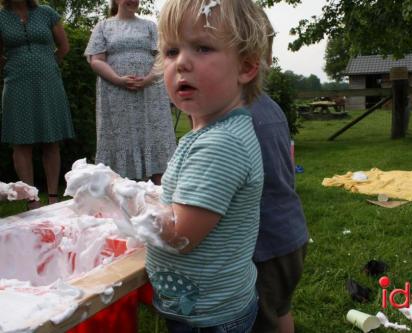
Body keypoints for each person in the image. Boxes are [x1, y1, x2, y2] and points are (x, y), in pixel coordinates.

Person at [145, 0, 269, 331]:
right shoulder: (214, 132)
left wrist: (122, 199)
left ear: (246, 66)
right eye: (171, 51)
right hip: (207, 305)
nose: (181, 63)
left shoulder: (220, 145)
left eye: (202, 47)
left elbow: (179, 235)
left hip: (208, 317)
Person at [249, 11, 309, 333]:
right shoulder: (270, 106)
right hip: (292, 235)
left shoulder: (233, 118)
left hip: (265, 247)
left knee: (263, 318)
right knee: (279, 308)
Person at [85, 0, 176, 185]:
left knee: (154, 136)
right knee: (120, 139)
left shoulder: (150, 26)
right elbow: (96, 60)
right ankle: (122, 195)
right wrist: (119, 80)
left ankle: (161, 195)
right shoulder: (103, 26)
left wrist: (149, 78)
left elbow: (163, 56)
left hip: (150, 93)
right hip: (116, 94)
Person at [0, 0, 74, 209]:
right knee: (20, 142)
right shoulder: (1, 18)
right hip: (16, 84)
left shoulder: (46, 12)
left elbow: (64, 47)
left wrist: (47, 65)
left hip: (48, 82)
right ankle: (31, 199)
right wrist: (16, 67)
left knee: (51, 140)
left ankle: (52, 198)